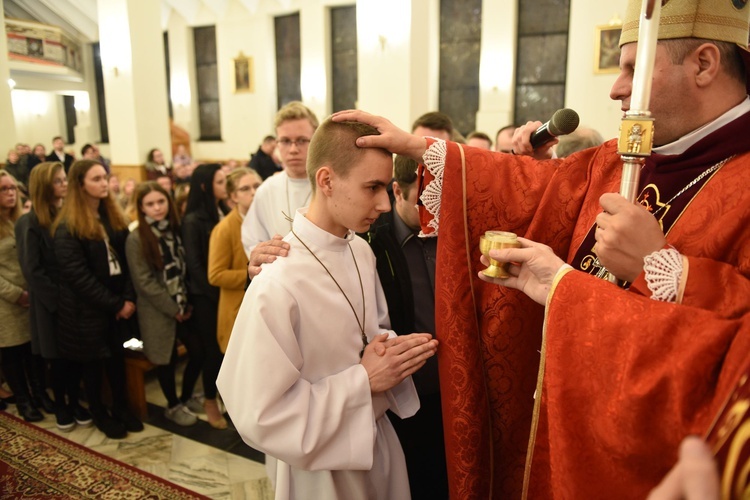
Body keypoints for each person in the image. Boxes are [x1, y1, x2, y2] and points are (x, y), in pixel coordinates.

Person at [332, 0, 750, 496]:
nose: (616, 88)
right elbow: (536, 188)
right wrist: (424, 148)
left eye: (633, 69)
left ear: (704, 63)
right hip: (565, 419)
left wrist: (661, 269)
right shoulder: (620, 159)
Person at [217, 118, 439, 500]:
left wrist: (390, 352)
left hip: (378, 443)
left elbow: (371, 330)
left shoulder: (360, 249)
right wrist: (363, 381)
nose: (385, 204)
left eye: (386, 188)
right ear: (326, 180)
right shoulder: (277, 282)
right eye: (372, 188)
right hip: (319, 472)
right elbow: (259, 414)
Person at [363, 155, 447, 499]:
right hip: (407, 390)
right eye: (424, 202)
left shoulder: (451, 232)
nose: (434, 214)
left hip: (453, 388)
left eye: (440, 202)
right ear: (397, 191)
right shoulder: (372, 241)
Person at [52, 159, 144, 439]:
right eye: (96, 179)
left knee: (117, 360)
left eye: (105, 177)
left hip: (117, 306)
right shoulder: (67, 227)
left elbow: (128, 262)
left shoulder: (111, 217)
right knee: (93, 366)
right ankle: (100, 413)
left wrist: (127, 298)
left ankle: (122, 408)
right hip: (86, 312)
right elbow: (79, 278)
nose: (104, 183)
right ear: (80, 186)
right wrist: (116, 304)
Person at [16, 162, 92, 430]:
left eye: (64, 180)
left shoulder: (66, 214)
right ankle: (61, 405)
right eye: (59, 181)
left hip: (73, 300)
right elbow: (32, 270)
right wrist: (58, 300)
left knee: (75, 355)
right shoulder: (29, 222)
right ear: (45, 186)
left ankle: (75, 401)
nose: (65, 185)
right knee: (57, 358)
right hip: (52, 304)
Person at [125, 182, 198, 426]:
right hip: (157, 310)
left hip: (181, 305)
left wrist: (183, 304)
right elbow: (144, 282)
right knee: (166, 361)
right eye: (150, 204)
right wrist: (172, 308)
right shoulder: (136, 238)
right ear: (141, 207)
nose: (157, 208)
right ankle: (173, 405)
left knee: (198, 351)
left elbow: (183, 268)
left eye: (161, 202)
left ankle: (186, 396)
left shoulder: (175, 229)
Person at [241, 102, 319, 276]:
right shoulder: (267, 189)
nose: (293, 149)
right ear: (277, 143)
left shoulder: (330, 185)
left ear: (316, 141)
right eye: (285, 141)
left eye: (301, 140)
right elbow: (253, 240)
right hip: (280, 278)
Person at [182, 164, 229, 429]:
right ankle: (209, 400)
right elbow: (195, 265)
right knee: (213, 351)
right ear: (204, 186)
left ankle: (224, 395)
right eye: (220, 181)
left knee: (226, 349)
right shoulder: (192, 221)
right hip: (205, 296)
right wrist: (217, 293)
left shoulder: (221, 210)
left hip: (222, 291)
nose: (225, 185)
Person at [0, 170, 42, 423]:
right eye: (3, 189)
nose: (10, 193)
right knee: (13, 352)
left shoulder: (20, 220)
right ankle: (23, 400)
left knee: (31, 350)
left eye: (12, 188)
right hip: (6, 302)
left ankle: (38, 394)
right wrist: (16, 294)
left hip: (29, 296)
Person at [208, 168, 261, 353]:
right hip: (238, 308)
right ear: (233, 197)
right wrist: (252, 273)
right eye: (245, 189)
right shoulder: (224, 229)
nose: (253, 192)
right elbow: (215, 275)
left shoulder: (266, 219)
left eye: (257, 186)